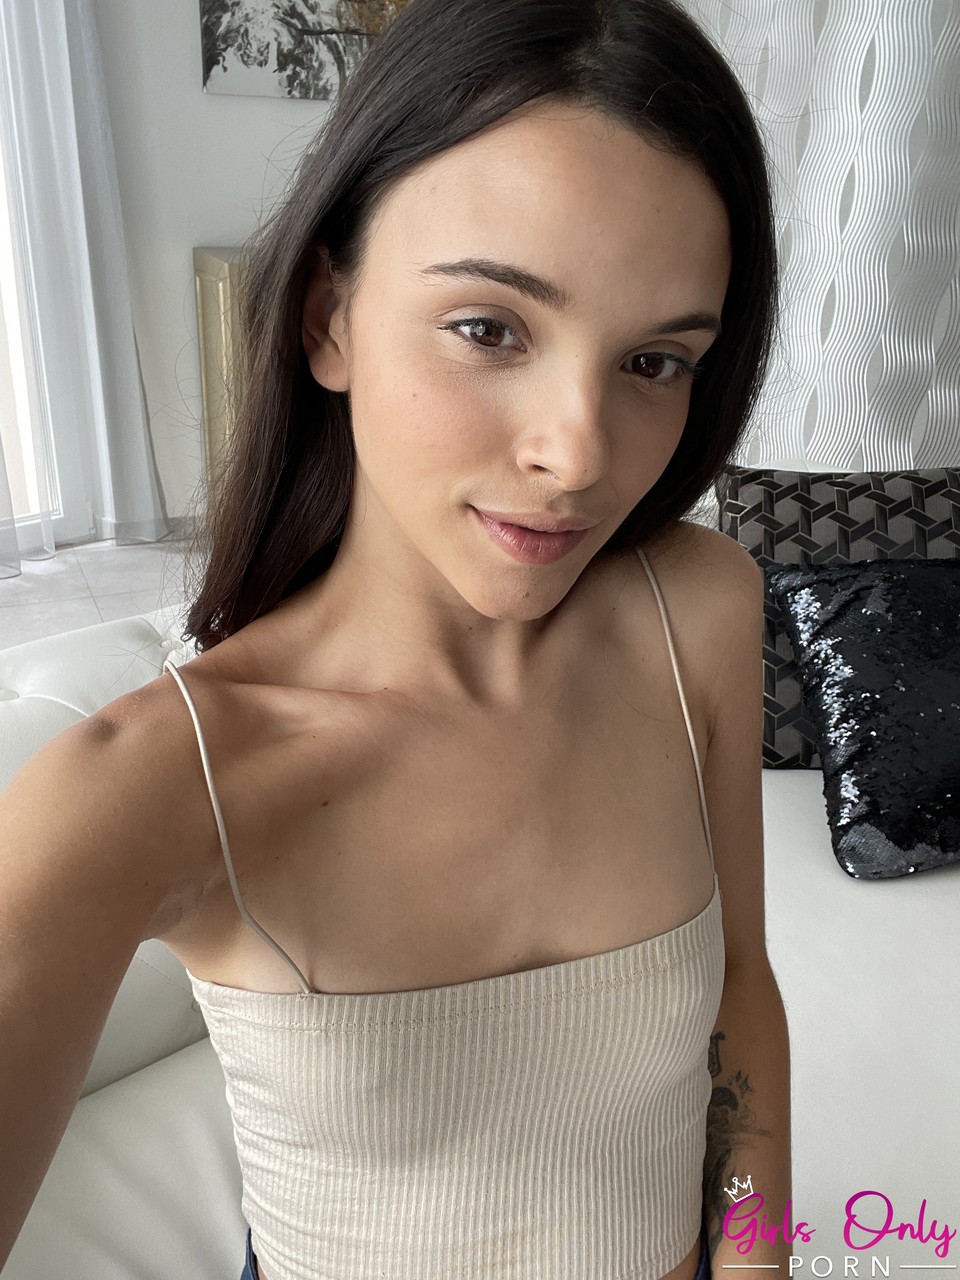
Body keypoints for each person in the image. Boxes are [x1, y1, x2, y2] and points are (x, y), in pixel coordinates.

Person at [0, 0, 793, 1277]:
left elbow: (741, 991)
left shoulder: (697, 610)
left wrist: (757, 1264)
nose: (578, 453)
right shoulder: (154, 784)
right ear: (328, 317)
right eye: (490, 328)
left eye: (654, 361)